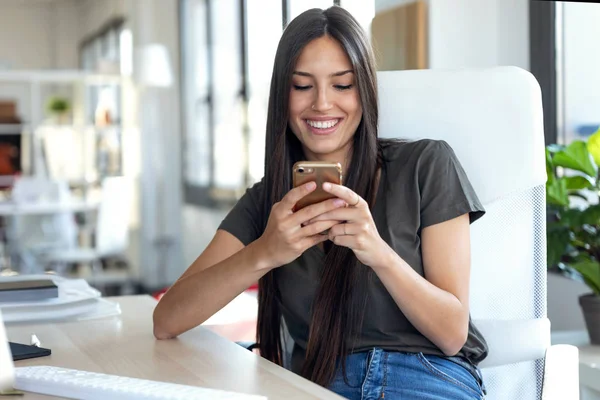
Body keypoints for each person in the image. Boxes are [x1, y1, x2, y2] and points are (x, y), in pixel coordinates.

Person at [153, 6, 488, 399]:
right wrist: (265, 252)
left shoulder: (426, 166)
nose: (322, 104)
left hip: (429, 376)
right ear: (284, 94)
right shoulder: (266, 203)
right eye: (302, 85)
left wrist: (378, 252)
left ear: (364, 91)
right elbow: (167, 320)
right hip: (320, 383)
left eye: (342, 85)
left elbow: (452, 335)